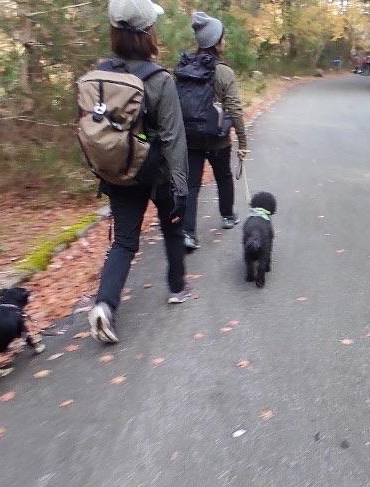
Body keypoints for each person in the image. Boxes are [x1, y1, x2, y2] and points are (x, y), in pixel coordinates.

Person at [88, 0, 192, 344]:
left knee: (124, 242)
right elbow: (174, 137)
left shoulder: (101, 73)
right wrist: (181, 186)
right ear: (147, 33)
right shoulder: (159, 79)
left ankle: (104, 305)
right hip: (157, 171)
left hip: (119, 171)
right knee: (172, 229)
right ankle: (177, 288)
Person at [180, 12, 249, 251]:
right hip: (218, 138)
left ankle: (188, 233)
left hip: (190, 137)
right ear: (216, 42)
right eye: (222, 38)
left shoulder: (185, 66)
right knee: (224, 176)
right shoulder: (224, 72)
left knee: (191, 185)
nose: (225, 42)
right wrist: (243, 142)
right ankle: (228, 216)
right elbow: (235, 109)